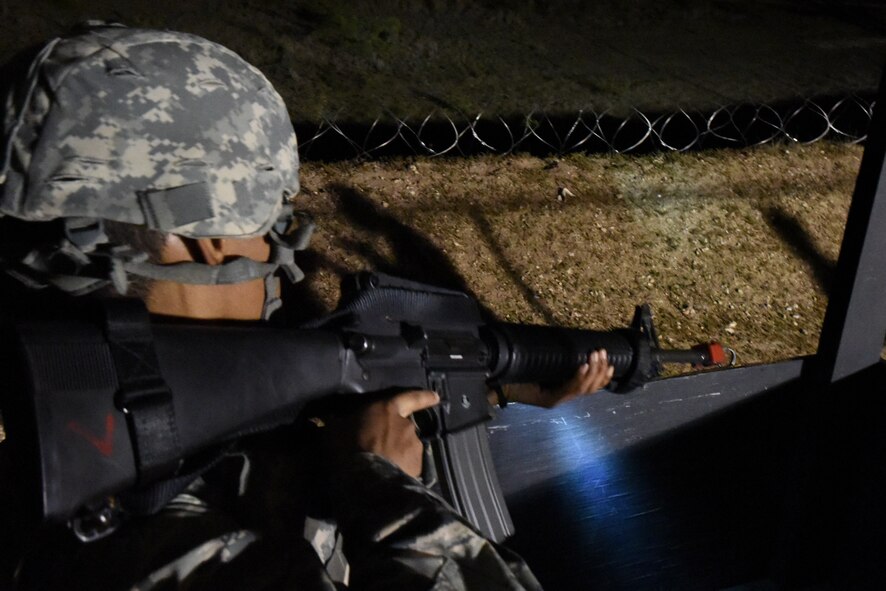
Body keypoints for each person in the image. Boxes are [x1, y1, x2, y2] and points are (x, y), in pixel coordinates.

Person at [0, 23, 613, 589]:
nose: (280, 248)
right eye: (275, 220)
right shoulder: (159, 553)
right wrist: (384, 484)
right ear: (210, 241)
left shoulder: (92, 418)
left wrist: (492, 390)